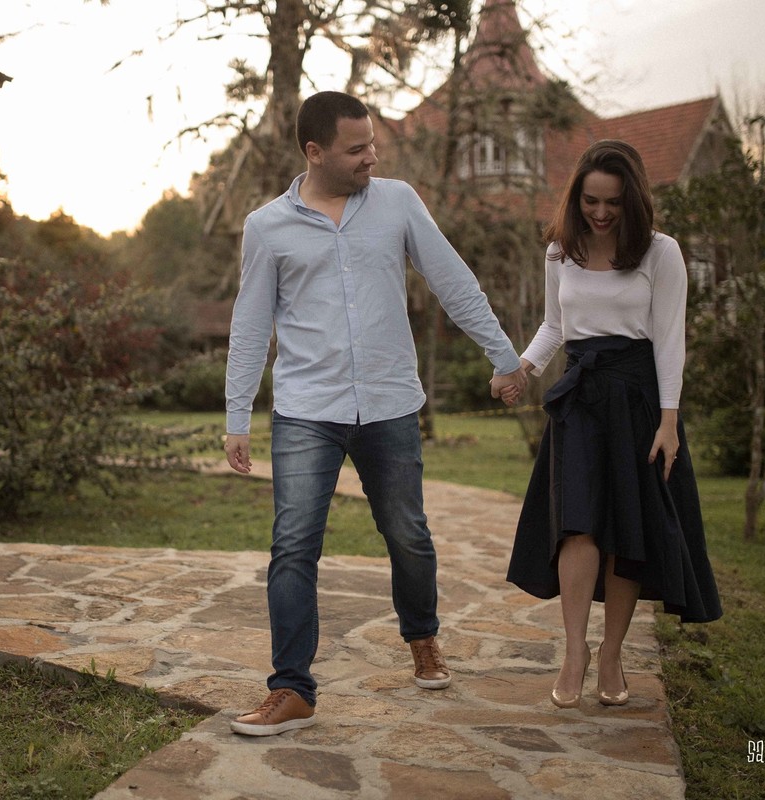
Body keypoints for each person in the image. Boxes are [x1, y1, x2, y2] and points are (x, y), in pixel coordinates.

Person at [224, 91, 526, 736]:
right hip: (307, 407)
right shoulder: (266, 227)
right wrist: (237, 415)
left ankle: (422, 637)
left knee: (407, 533)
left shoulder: (398, 202)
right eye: (356, 148)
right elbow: (249, 325)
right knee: (293, 545)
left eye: (372, 145)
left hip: (389, 402)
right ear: (315, 152)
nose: (371, 157)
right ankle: (291, 688)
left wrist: (505, 357)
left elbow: (453, 280)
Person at [502, 139, 722, 710]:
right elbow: (555, 325)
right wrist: (522, 368)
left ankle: (612, 653)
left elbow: (669, 341)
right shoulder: (560, 252)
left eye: (613, 203)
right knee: (576, 526)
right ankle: (574, 651)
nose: (601, 213)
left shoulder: (661, 252)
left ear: (633, 200)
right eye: (591, 201)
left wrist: (669, 422)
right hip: (579, 399)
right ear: (576, 197)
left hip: (638, 400)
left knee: (626, 528)